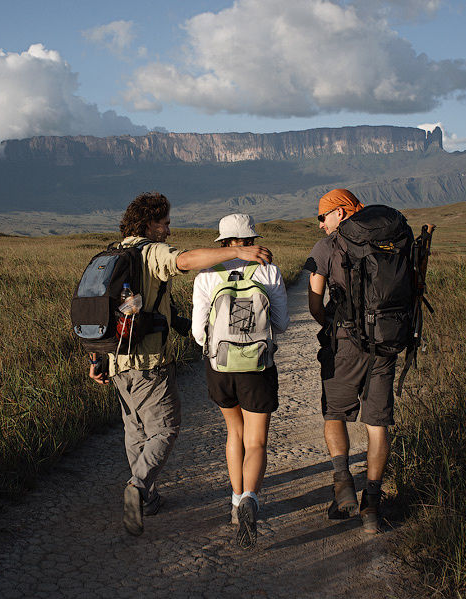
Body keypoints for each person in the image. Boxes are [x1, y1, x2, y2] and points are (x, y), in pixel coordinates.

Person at [87, 193, 274, 537]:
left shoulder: (112, 253)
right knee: (166, 428)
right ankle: (139, 486)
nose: (169, 231)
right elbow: (186, 261)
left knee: (136, 430)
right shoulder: (150, 251)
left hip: (114, 361)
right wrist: (237, 252)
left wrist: (96, 357)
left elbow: (101, 309)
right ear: (149, 224)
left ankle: (150, 496)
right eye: (166, 223)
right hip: (148, 361)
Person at [191, 213, 289, 548]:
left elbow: (196, 332)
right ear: (250, 239)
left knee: (234, 432)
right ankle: (251, 498)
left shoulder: (206, 274)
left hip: (220, 367)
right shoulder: (268, 270)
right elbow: (283, 323)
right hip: (258, 367)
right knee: (257, 441)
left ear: (223, 242)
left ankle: (235, 504)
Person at [304, 188, 397, 534]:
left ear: (341, 213)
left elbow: (315, 304)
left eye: (323, 216)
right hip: (386, 342)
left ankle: (343, 487)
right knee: (377, 425)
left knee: (334, 414)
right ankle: (372, 506)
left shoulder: (328, 247)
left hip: (345, 345)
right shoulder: (391, 239)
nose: (320, 224)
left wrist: (332, 326)